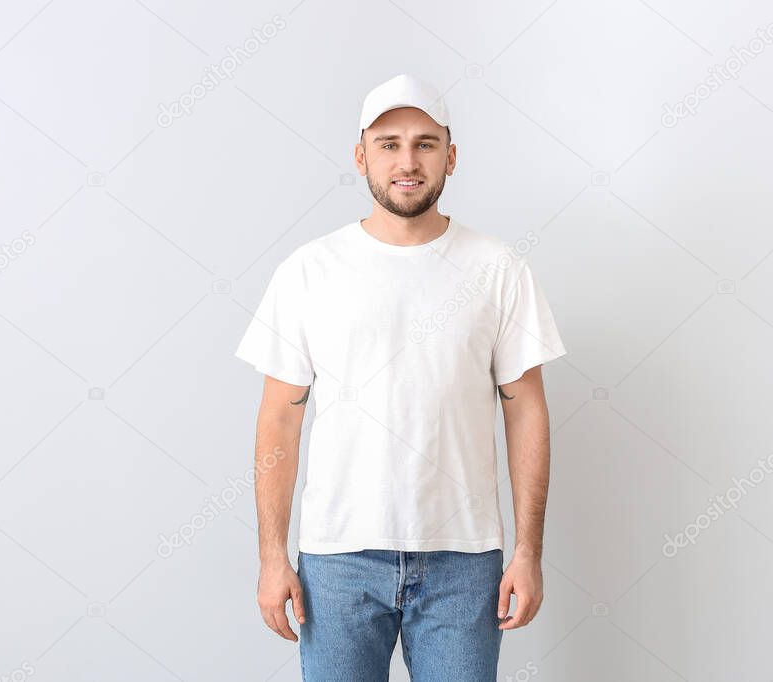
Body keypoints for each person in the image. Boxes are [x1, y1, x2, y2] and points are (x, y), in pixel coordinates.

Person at [235, 73, 567, 681]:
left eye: (424, 143)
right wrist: (271, 557)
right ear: (361, 155)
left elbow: (526, 411)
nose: (406, 160)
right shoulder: (310, 271)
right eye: (388, 144)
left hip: (464, 562)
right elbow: (279, 416)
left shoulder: (497, 269)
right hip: (337, 561)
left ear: (451, 155)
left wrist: (528, 551)